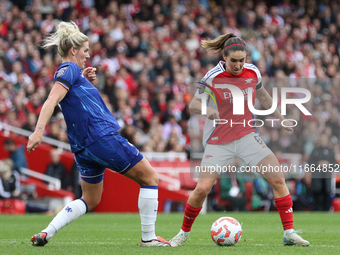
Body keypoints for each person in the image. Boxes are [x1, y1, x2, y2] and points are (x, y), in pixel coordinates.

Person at [27, 21, 169, 247]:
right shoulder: (69, 69)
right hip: (101, 138)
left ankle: (47, 232)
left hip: (83, 148)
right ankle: (149, 239)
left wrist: (82, 78)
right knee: (150, 178)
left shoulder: (73, 73)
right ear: (73, 50)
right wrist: (38, 131)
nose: (88, 55)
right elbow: (51, 100)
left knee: (90, 199)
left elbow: (73, 98)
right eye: (85, 51)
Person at [170, 33, 309, 247]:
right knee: (201, 190)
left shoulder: (253, 71)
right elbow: (194, 105)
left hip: (247, 137)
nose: (237, 65)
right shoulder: (212, 76)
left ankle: (289, 232)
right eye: (233, 61)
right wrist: (208, 109)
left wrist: (281, 119)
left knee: (278, 179)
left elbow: (263, 96)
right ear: (224, 57)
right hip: (219, 141)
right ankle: (183, 233)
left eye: (241, 60)